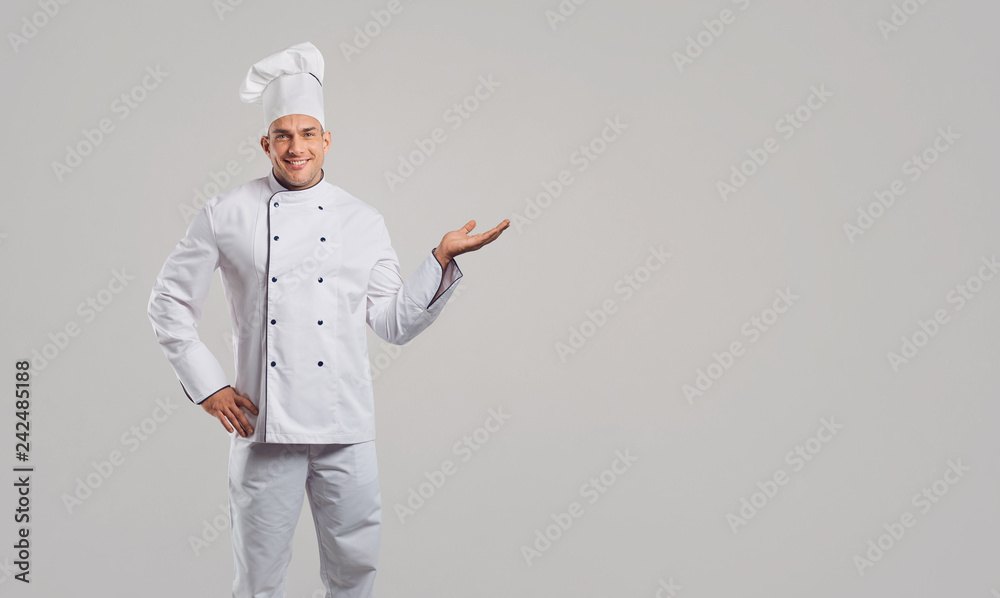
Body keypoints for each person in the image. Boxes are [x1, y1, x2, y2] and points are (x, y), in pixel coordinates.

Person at [146, 41, 508, 598]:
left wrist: (439, 260)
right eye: (284, 136)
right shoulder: (227, 212)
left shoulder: (362, 219)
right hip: (265, 429)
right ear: (265, 144)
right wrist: (208, 385)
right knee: (258, 580)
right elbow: (168, 301)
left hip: (347, 429)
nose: (297, 148)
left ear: (327, 140)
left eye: (308, 134)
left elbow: (392, 323)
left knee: (354, 575)